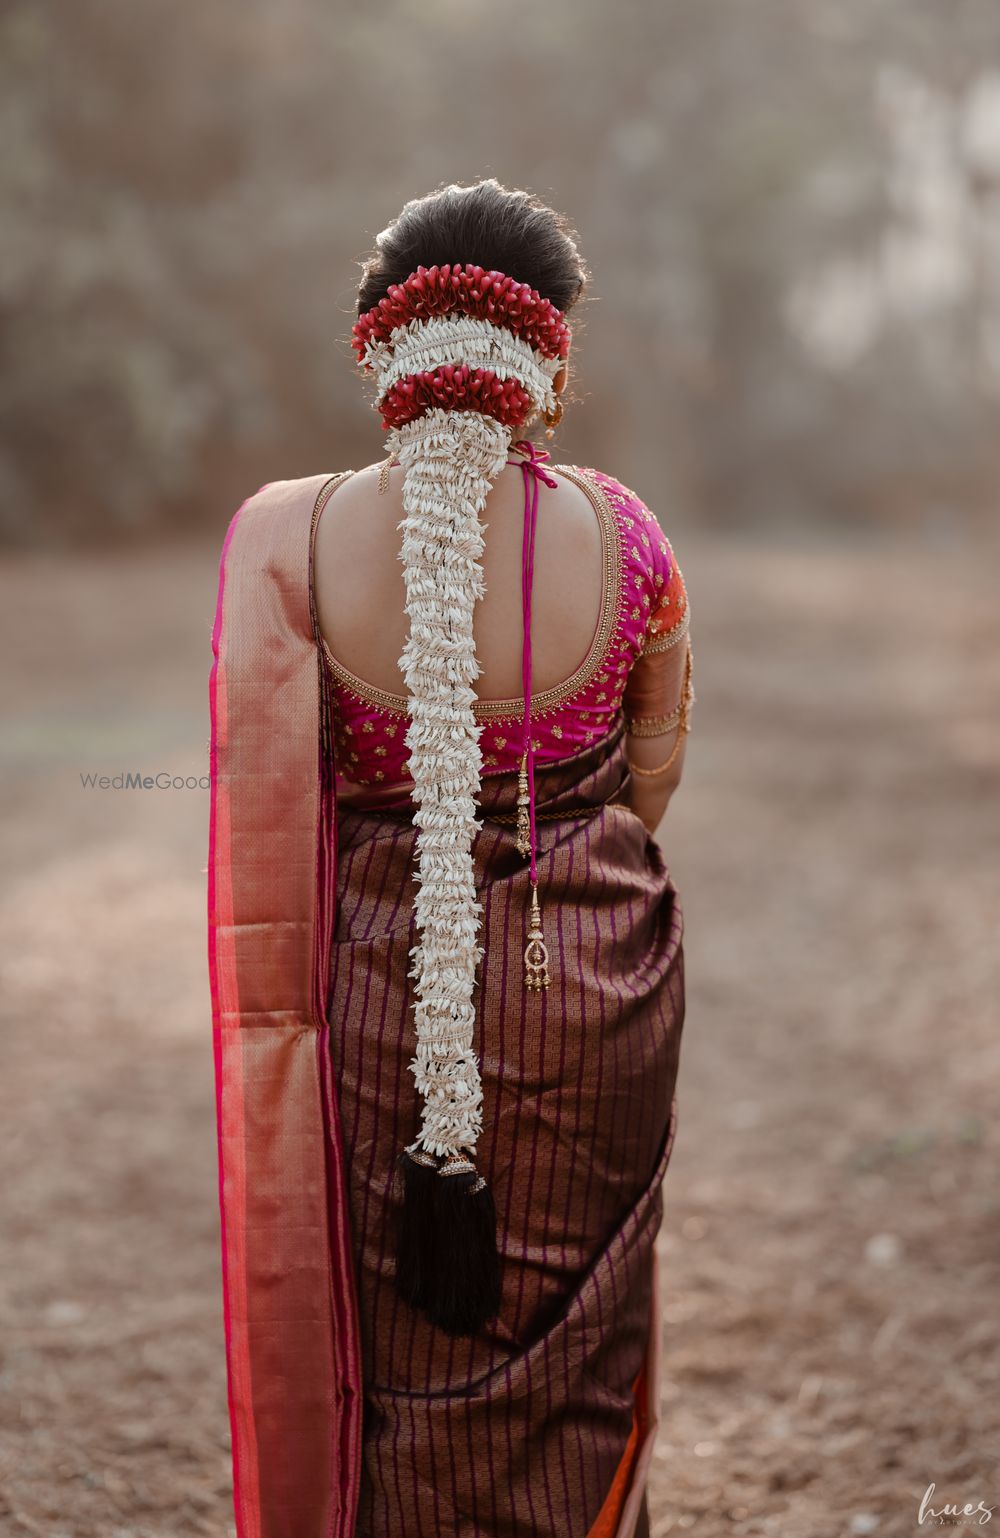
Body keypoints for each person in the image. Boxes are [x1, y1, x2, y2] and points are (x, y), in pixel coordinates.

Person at [207, 178, 693, 1538]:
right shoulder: (631, 533)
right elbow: (654, 782)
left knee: (390, 1336)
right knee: (582, 1343)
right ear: (549, 356)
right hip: (588, 978)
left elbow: (269, 782)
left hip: (366, 987)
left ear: (380, 347)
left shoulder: (287, 539)